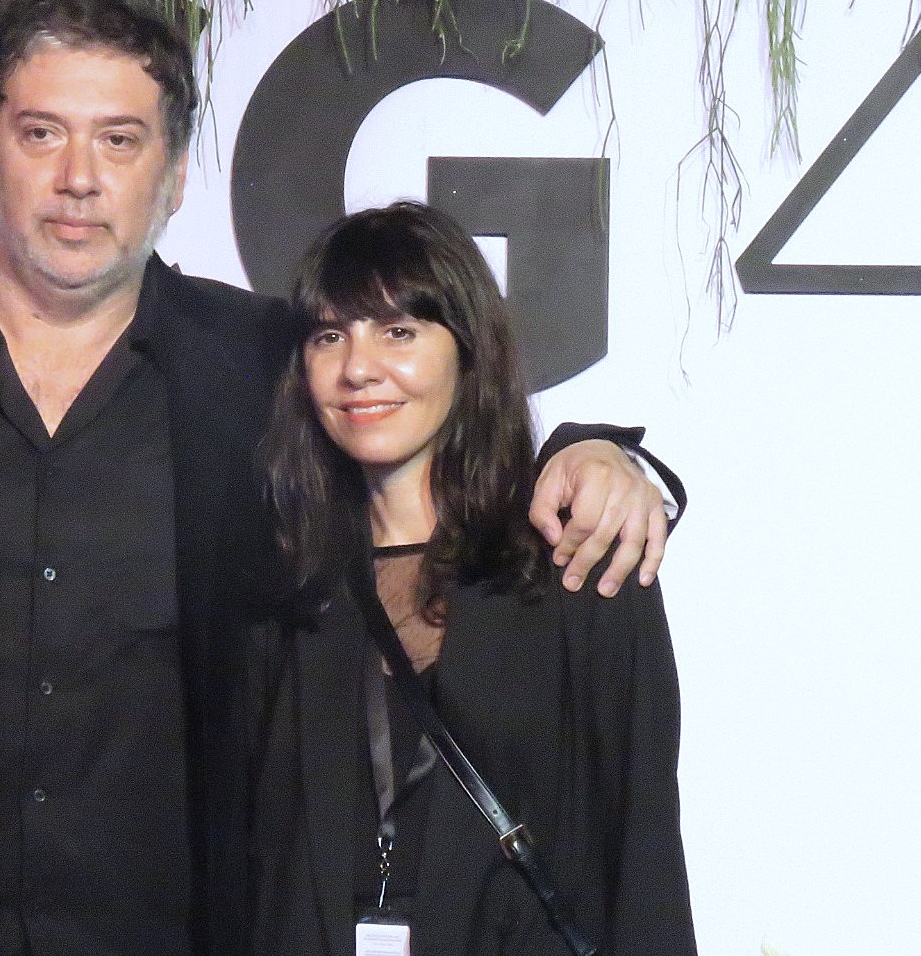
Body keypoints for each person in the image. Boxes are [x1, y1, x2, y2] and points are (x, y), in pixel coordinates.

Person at [0, 0, 679, 956]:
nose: (80, 177)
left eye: (119, 139)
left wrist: (604, 453)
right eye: (41, 133)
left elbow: (433, 425)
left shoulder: (263, 363)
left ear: (175, 176)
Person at [250, 201, 696, 956]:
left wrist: (602, 449)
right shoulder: (280, 589)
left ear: (467, 350)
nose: (359, 367)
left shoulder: (579, 568)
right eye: (330, 335)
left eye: (399, 331)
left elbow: (644, 855)